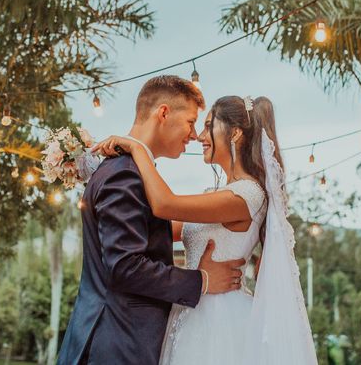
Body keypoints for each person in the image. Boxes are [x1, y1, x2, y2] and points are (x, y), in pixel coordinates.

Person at [94, 95, 317, 364]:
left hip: (220, 321)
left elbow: (164, 204)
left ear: (234, 133)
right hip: (190, 310)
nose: (200, 136)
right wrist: (100, 186)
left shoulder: (247, 195)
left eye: (208, 125)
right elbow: (159, 224)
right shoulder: (217, 195)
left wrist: (138, 149)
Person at [57, 76, 246, 365]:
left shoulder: (131, 170)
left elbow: (152, 232)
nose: (194, 135)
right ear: (164, 113)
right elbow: (125, 266)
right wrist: (203, 280)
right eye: (191, 122)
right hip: (117, 343)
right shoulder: (125, 173)